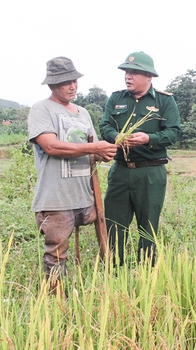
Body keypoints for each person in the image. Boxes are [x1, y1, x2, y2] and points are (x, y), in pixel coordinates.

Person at [28, 56, 118, 294]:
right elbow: (51, 146)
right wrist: (94, 148)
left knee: (103, 240)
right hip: (57, 198)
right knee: (56, 253)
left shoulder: (83, 113)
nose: (72, 86)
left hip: (85, 195)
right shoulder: (41, 109)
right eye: (65, 82)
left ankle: (103, 287)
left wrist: (104, 152)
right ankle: (55, 303)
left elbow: (93, 148)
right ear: (51, 85)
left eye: (74, 81)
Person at [100, 51, 181, 266]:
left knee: (148, 225)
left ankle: (146, 272)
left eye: (134, 72)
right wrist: (115, 136)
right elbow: (104, 125)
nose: (128, 76)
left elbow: (173, 133)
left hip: (150, 173)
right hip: (121, 170)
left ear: (149, 76)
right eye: (126, 72)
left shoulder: (165, 101)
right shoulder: (116, 98)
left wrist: (149, 138)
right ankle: (114, 272)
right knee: (114, 224)